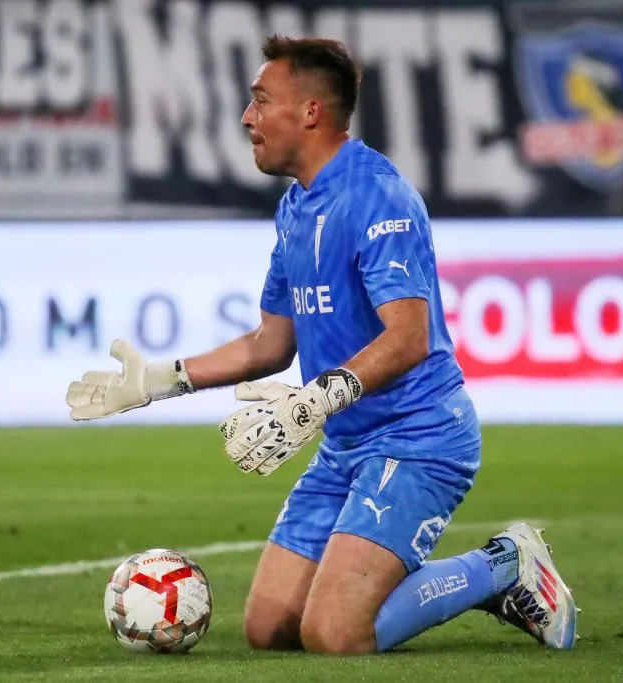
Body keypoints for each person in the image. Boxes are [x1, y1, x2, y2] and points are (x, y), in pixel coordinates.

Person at [65, 35, 577, 655]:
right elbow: (270, 342)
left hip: (418, 438)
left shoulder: (377, 196)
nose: (247, 117)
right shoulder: (296, 207)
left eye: (261, 100)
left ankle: (502, 565)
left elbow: (409, 337)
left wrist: (318, 399)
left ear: (310, 112)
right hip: (345, 444)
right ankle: (388, 575)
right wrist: (158, 380)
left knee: (336, 633)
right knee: (269, 629)